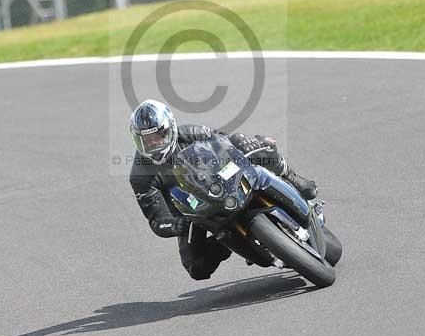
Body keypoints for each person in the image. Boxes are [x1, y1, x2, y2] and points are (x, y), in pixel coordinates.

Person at [128, 99, 318, 281]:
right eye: (147, 140)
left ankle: (291, 178)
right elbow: (157, 220)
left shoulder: (191, 133)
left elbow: (224, 140)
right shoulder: (140, 176)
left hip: (222, 180)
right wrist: (179, 225)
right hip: (193, 213)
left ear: (171, 128)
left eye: (158, 137)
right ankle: (227, 240)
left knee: (262, 147)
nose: (154, 144)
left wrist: (242, 142)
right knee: (197, 268)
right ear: (138, 141)